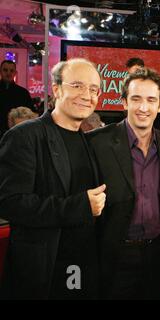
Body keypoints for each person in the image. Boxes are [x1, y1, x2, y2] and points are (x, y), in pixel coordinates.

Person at [0, 58, 106, 299]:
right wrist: (79, 206)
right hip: (44, 270)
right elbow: (11, 203)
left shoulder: (88, 140)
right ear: (56, 89)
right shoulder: (25, 136)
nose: (86, 95)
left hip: (82, 266)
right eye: (77, 85)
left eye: (93, 89)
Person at [87, 68, 160, 299]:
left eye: (151, 100)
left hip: (158, 255)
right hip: (114, 254)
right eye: (136, 99)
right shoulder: (97, 143)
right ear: (123, 102)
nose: (143, 108)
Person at [126, 58, 160, 134]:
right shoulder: (129, 88)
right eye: (131, 74)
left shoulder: (158, 86)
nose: (143, 108)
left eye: (151, 100)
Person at [0, 60, 33, 137]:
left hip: (17, 135)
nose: (8, 73)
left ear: (15, 73)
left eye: (11, 70)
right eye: (5, 70)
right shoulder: (23, 92)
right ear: (0, 71)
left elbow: (29, 116)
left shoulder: (23, 93)